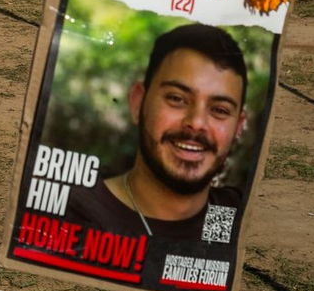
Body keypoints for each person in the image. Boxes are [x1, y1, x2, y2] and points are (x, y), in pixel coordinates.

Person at [63, 24, 248, 239]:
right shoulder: (77, 214)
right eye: (177, 99)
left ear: (238, 126)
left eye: (219, 110)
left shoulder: (229, 214)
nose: (196, 123)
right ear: (138, 103)